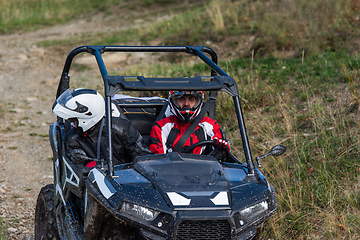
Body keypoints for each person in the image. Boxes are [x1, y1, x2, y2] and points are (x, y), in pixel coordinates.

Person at [52, 88, 151, 167]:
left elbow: (143, 156)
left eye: (74, 120)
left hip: (129, 177)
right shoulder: (73, 138)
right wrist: (95, 167)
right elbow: (79, 164)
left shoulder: (122, 128)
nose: (73, 125)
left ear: (87, 117)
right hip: (95, 182)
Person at [149, 91, 230, 155]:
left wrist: (222, 148)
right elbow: (158, 162)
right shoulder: (161, 127)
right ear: (174, 101)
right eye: (181, 99)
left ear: (198, 101)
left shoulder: (210, 125)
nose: (186, 104)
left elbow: (221, 158)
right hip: (171, 172)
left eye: (191, 99)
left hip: (204, 172)